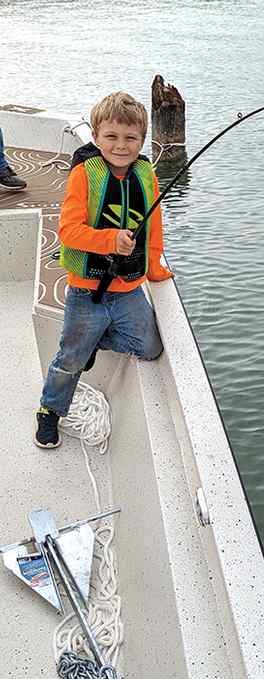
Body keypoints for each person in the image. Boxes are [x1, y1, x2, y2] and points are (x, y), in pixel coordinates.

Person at [35, 91, 173, 448]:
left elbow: (154, 224)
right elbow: (67, 231)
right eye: (111, 137)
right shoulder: (85, 174)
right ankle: (49, 410)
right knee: (70, 358)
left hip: (128, 291)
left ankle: (97, 341)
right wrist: (109, 241)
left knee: (150, 347)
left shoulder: (145, 173)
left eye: (131, 138)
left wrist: (154, 266)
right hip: (87, 293)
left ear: (142, 140)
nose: (121, 146)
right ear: (96, 137)